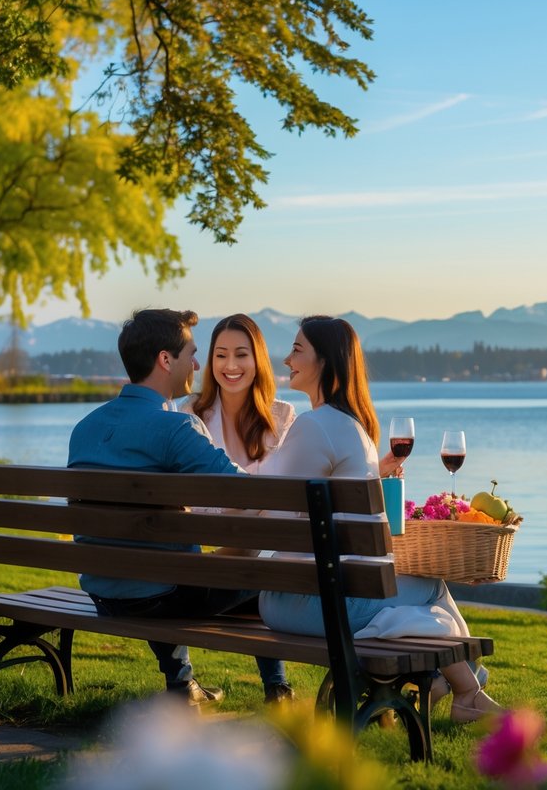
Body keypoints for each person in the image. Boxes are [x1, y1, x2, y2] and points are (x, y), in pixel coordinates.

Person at [258, 315, 499, 723]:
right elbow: (283, 512)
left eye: (297, 350)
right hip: (299, 602)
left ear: (326, 361)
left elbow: (276, 510)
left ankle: (463, 688)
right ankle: (466, 687)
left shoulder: (317, 426)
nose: (285, 359)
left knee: (425, 587)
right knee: (429, 587)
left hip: (294, 594)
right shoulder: (346, 427)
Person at [67, 308, 292, 706]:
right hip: (161, 596)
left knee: (159, 565)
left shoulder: (85, 427)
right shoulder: (175, 428)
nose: (197, 363)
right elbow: (249, 495)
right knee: (266, 577)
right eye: (191, 352)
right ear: (165, 360)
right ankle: (279, 689)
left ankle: (182, 684)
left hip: (102, 592)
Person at [180, 313, 294, 473]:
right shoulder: (192, 411)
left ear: (257, 360)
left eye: (241, 355)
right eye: (221, 355)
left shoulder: (283, 416)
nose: (231, 365)